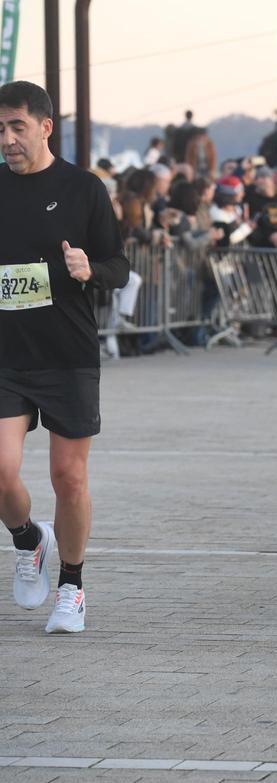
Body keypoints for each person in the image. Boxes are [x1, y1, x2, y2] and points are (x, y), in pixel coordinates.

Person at [0, 81, 131, 633]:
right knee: (2, 473)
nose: (6, 139)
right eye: (0, 129)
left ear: (45, 126)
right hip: (7, 355)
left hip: (68, 355)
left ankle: (72, 586)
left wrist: (89, 272)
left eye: (16, 127)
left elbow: (118, 267)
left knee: (68, 478)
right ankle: (29, 539)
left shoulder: (83, 189)